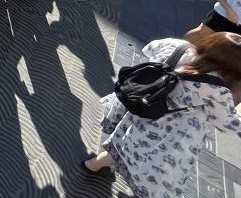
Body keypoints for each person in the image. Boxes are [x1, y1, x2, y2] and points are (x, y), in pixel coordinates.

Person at [82, 33, 241, 196]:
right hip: (166, 134)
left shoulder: (178, 46)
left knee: (124, 141)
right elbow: (226, 122)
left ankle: (92, 165)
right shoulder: (217, 90)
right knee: (153, 169)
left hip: (141, 109)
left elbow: (149, 48)